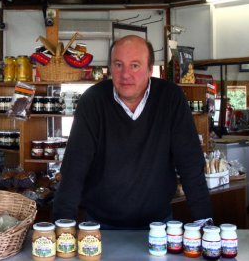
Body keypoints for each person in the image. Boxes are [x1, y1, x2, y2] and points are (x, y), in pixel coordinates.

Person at [52, 35, 212, 229]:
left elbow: (190, 165)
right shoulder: (92, 101)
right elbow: (73, 171)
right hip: (99, 225)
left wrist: (206, 225)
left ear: (149, 68)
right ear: (110, 67)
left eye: (135, 65)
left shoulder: (170, 98)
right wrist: (60, 231)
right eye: (118, 65)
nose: (125, 74)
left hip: (158, 225)